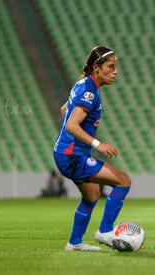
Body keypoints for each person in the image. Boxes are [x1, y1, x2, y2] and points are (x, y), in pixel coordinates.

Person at [53, 46, 131, 251]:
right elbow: (71, 124)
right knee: (123, 181)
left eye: (116, 67)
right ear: (96, 68)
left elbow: (64, 110)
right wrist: (98, 144)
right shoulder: (89, 90)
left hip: (66, 152)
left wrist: (71, 140)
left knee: (92, 195)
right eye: (110, 67)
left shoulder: (84, 85)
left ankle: (75, 243)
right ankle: (105, 231)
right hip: (72, 156)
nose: (115, 71)